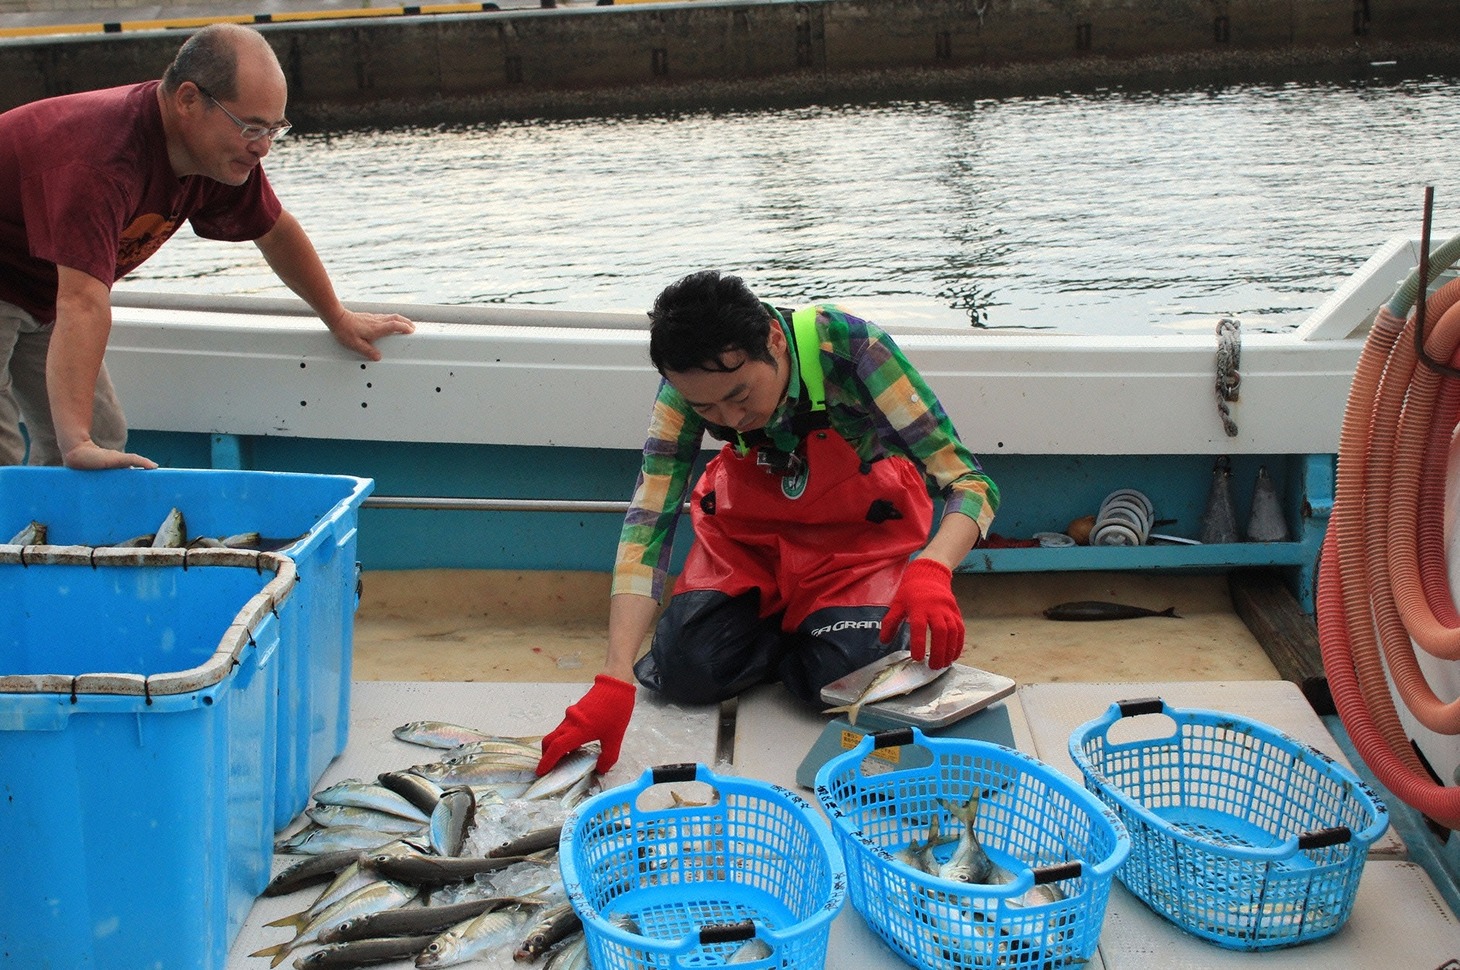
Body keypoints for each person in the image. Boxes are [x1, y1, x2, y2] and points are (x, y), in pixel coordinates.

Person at [536, 270, 999, 775]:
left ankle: (822, 634)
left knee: (842, 683)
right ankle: (804, 630)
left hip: (854, 545)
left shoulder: (853, 347)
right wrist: (615, 676)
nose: (730, 419)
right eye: (706, 407)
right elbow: (650, 519)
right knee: (687, 674)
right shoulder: (686, 390)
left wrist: (933, 568)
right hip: (748, 544)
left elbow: (970, 483)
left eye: (740, 396)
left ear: (774, 341)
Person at [0, 23, 415, 470]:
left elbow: (274, 231)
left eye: (275, 130)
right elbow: (82, 301)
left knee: (103, 437)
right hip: (40, 286)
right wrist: (75, 444)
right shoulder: (102, 158)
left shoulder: (218, 155)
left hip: (42, 291)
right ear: (188, 100)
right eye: (252, 127)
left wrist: (336, 316)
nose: (263, 148)